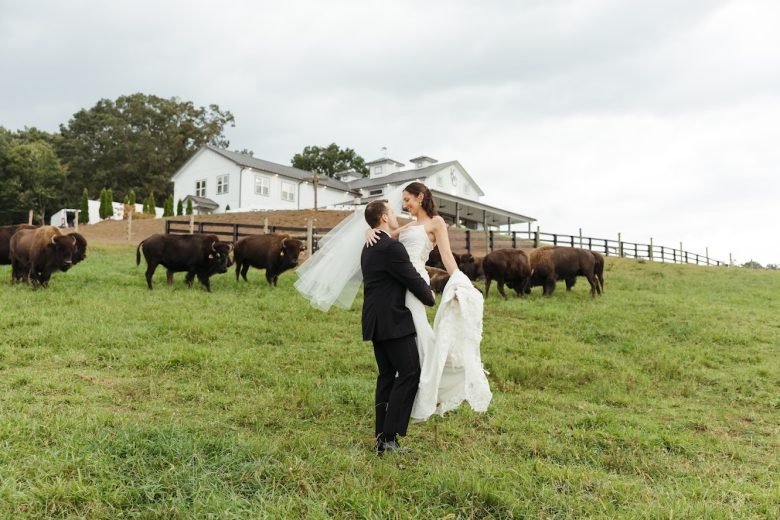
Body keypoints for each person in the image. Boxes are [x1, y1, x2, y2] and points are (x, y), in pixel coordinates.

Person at [367, 182, 491, 421]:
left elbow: (446, 256)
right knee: (410, 338)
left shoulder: (436, 223)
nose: (404, 205)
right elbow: (383, 236)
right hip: (397, 288)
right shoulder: (408, 226)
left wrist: (459, 284)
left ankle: (426, 388)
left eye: (408, 200)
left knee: (419, 334)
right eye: (402, 201)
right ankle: (411, 390)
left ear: (421, 197)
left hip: (415, 286)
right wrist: (368, 231)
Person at [360, 199, 435, 455]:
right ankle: (389, 438)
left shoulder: (369, 245)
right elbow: (411, 278)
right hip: (392, 320)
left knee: (386, 376)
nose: (394, 214)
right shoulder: (391, 248)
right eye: (391, 211)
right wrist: (431, 296)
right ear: (382, 217)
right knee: (410, 372)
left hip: (374, 320)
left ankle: (382, 438)